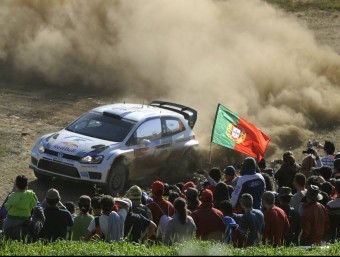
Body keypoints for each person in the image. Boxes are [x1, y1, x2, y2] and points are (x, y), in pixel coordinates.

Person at [2, 175, 38, 241]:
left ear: (16, 184)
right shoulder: (31, 194)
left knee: (4, 226)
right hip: (25, 220)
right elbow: (34, 204)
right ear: (27, 185)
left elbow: (7, 207)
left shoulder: (13, 196)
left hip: (11, 220)